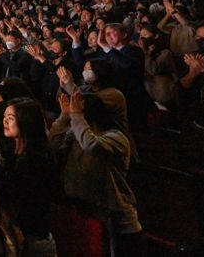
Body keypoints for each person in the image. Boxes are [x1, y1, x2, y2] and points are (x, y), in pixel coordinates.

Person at [49, 91, 142, 256]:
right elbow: (52, 149)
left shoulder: (116, 138)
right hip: (84, 212)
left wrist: (76, 115)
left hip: (114, 218)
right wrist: (64, 117)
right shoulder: (74, 134)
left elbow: (91, 145)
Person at [0, 98, 57, 256]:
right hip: (10, 232)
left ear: (26, 121)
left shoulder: (38, 158)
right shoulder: (10, 149)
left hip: (32, 238)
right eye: (4, 117)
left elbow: (6, 195)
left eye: (10, 118)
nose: (5, 121)